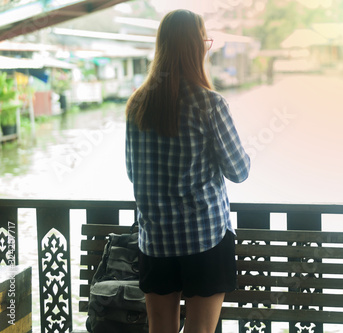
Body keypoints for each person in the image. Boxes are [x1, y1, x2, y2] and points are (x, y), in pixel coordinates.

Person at [125, 9, 250, 333]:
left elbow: (132, 172)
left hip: (155, 241)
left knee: (160, 330)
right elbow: (238, 171)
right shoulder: (209, 103)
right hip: (204, 238)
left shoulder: (138, 104)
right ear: (196, 47)